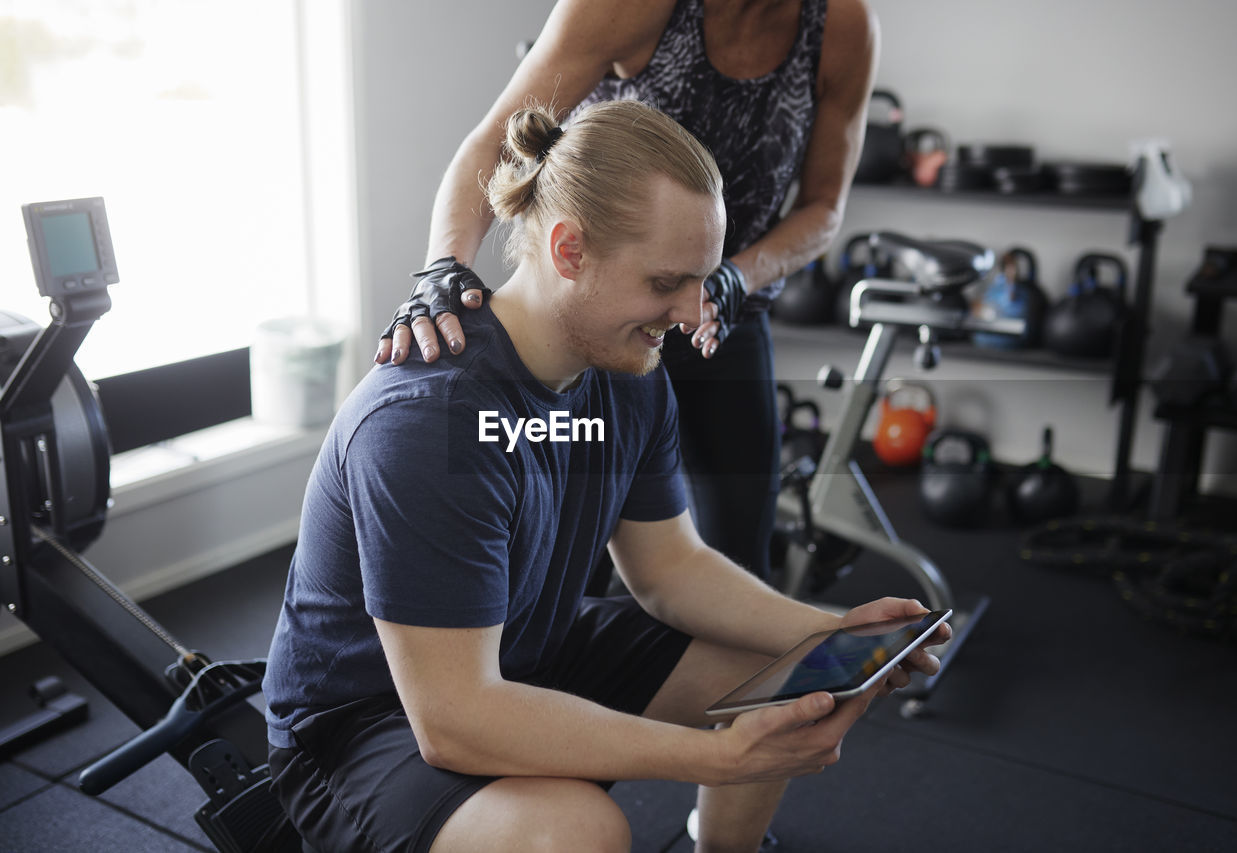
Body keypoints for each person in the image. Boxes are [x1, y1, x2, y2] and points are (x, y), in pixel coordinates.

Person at [266, 101, 945, 853]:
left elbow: (671, 568)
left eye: (703, 280)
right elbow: (455, 718)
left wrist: (832, 631)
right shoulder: (430, 421)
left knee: (792, 679)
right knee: (577, 832)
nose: (692, 312)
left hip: (524, 644)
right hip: (371, 723)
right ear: (568, 250)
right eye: (666, 282)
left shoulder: (627, 371)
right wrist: (720, 757)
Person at [375, 0, 879, 584]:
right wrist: (445, 269)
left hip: (722, 316)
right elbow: (496, 141)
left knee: (739, 548)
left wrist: (735, 277)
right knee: (568, 559)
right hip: (603, 318)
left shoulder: (842, 24)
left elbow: (824, 207)